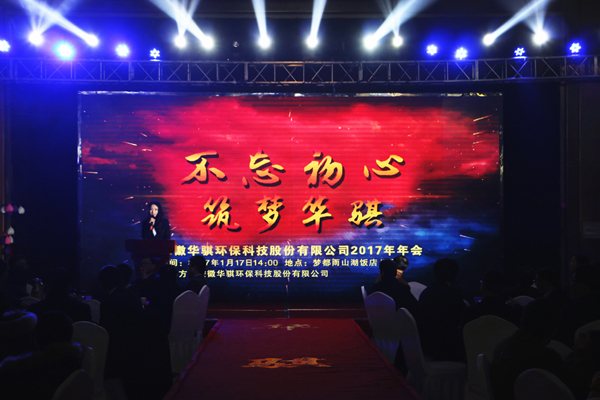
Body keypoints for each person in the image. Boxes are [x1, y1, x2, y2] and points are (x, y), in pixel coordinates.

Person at [418, 258, 467, 362]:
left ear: (435, 272)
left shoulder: (426, 293)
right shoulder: (460, 293)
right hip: (453, 350)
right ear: (456, 273)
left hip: (428, 348)